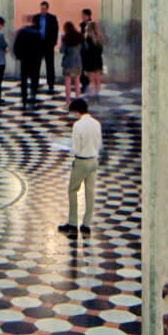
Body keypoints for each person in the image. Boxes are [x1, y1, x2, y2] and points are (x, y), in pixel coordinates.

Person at [62, 96, 102, 238]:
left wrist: (70, 151)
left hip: (82, 161)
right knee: (90, 192)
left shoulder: (78, 126)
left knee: (72, 190)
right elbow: (99, 143)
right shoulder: (96, 123)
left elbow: (76, 148)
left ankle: (72, 222)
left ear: (77, 111)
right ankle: (87, 224)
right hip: (94, 160)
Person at [13, 13, 44, 110]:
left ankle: (24, 100)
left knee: (24, 80)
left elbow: (16, 46)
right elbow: (41, 48)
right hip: (35, 61)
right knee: (34, 81)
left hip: (24, 60)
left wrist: (19, 56)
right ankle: (32, 98)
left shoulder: (22, 31)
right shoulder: (38, 33)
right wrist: (40, 57)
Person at [37, 0, 60, 93]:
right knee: (36, 65)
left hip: (48, 45)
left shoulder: (52, 18)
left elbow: (55, 30)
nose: (42, 10)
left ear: (47, 9)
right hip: (38, 45)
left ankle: (51, 84)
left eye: (44, 9)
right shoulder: (37, 17)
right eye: (41, 8)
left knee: (50, 65)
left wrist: (54, 42)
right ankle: (35, 83)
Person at [60, 19, 84, 107]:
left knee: (68, 83)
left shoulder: (65, 38)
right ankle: (77, 100)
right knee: (77, 82)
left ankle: (67, 102)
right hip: (77, 62)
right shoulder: (80, 37)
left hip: (68, 62)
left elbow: (62, 50)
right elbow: (84, 48)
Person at [81, 13, 104, 99]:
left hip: (90, 61)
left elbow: (85, 51)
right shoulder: (99, 38)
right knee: (97, 78)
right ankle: (97, 93)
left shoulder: (87, 39)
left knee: (91, 79)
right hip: (98, 60)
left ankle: (92, 94)